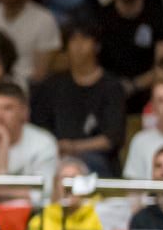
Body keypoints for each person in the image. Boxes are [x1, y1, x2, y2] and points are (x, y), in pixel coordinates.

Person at [32, 21, 126, 176]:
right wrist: (55, 147)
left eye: (84, 39)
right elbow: (39, 126)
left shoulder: (112, 87)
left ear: (96, 46)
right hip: (54, 154)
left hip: (97, 160)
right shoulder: (52, 85)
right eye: (73, 40)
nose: (78, 46)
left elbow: (112, 138)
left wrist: (73, 147)